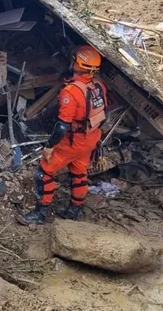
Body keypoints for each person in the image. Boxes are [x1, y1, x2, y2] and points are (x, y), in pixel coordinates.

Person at [19, 45, 108, 224]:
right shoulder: (98, 85)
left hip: (73, 142)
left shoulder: (71, 92)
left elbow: (62, 126)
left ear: (78, 64)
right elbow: (104, 113)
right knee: (79, 173)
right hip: (91, 138)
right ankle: (74, 210)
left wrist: (49, 147)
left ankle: (40, 213)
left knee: (44, 172)